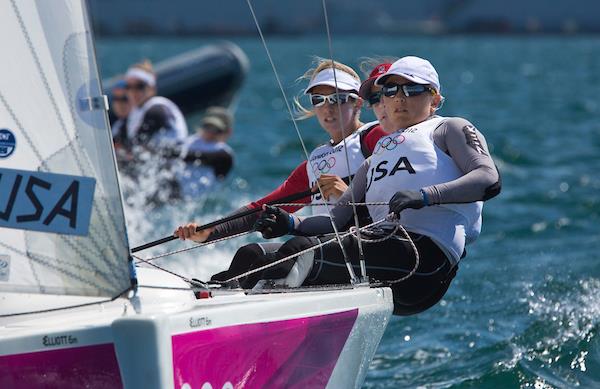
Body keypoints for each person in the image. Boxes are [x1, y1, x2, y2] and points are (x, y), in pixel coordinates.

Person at [178, 55, 501, 316]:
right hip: (377, 249)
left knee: (298, 252)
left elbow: (488, 179)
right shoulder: (371, 161)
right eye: (390, 92)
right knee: (251, 254)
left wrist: (424, 196)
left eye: (412, 90)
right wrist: (287, 222)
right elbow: (333, 221)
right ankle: (203, 307)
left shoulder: (444, 129)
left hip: (423, 260)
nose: (398, 99)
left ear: (435, 98)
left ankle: (253, 323)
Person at [174, 58, 387, 277]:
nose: (328, 107)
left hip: (367, 250)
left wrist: (347, 195)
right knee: (249, 255)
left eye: (338, 99)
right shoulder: (316, 160)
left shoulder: (375, 137)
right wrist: (211, 231)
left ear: (358, 103)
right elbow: (264, 207)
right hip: (326, 246)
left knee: (294, 250)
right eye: (319, 99)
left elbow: (399, 191)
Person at [124, 60, 187, 149]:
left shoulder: (156, 109)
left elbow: (135, 145)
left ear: (151, 88)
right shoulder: (136, 112)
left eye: (139, 86)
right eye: (128, 87)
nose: (133, 92)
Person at [176, 107, 235, 198]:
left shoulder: (224, 153)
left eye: (216, 130)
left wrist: (177, 154)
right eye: (207, 127)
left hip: (195, 197)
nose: (210, 132)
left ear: (226, 132)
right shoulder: (189, 141)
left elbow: (218, 159)